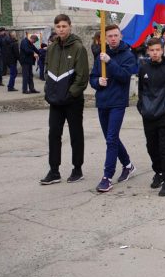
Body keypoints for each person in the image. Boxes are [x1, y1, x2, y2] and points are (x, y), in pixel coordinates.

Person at [40, 15, 89, 185]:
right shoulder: (52, 48)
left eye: (64, 26)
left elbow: (82, 77)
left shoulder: (78, 48)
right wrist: (49, 90)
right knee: (54, 134)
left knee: (75, 134)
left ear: (70, 27)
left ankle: (77, 169)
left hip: (72, 100)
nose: (61, 29)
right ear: (55, 28)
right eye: (58, 26)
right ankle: (54, 171)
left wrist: (71, 94)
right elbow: (47, 71)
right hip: (55, 100)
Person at [88, 24, 137, 193]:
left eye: (116, 35)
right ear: (105, 39)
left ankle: (107, 177)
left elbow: (124, 77)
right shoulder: (101, 55)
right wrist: (97, 83)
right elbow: (92, 77)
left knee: (111, 138)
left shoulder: (128, 55)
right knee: (112, 138)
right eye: (110, 36)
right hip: (102, 101)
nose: (113, 38)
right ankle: (128, 165)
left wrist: (110, 62)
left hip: (117, 102)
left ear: (121, 36)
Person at [137, 38, 165, 196]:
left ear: (162, 50)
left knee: (164, 148)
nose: (154, 53)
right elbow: (141, 89)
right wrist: (141, 106)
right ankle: (158, 172)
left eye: (157, 50)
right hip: (148, 114)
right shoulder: (144, 68)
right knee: (151, 147)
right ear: (148, 51)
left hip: (164, 114)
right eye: (152, 50)